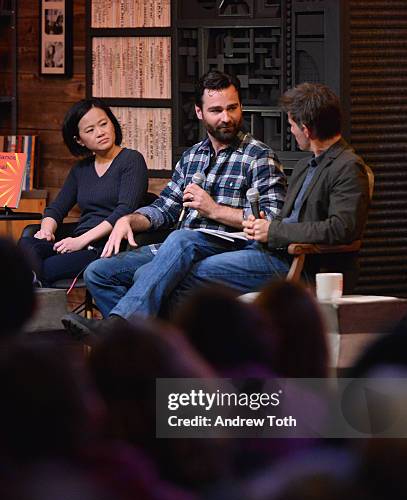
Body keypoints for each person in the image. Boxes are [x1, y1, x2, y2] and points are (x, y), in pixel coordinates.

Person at [61, 70, 286, 341]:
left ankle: (120, 329)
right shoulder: (192, 157)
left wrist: (214, 210)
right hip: (179, 247)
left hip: (230, 244)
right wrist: (130, 219)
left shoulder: (259, 156)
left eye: (232, 108)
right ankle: (146, 347)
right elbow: (165, 208)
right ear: (199, 112)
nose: (226, 117)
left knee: (182, 239)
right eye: (216, 110)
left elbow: (273, 221)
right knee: (98, 272)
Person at [242, 82, 370, 281]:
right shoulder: (304, 166)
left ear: (306, 130)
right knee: (195, 257)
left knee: (200, 273)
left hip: (306, 264)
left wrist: (274, 230)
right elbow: (292, 219)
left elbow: (340, 228)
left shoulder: (348, 166)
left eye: (292, 125)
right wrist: (263, 226)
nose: (291, 131)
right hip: (277, 253)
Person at [19, 98, 148, 286]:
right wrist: (46, 231)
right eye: (90, 130)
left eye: (104, 124)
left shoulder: (131, 160)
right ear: (79, 140)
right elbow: (56, 209)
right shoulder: (81, 170)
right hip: (76, 241)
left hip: (105, 246)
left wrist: (80, 241)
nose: (100, 132)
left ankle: (25, 295)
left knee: (43, 268)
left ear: (113, 124)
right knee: (27, 245)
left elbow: (124, 211)